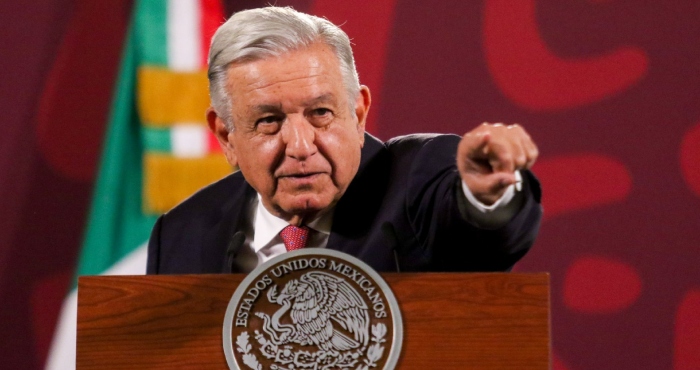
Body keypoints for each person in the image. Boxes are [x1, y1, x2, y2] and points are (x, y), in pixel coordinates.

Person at [146, 6, 542, 274]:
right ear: (226, 136)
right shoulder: (183, 234)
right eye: (269, 121)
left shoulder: (417, 182)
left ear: (357, 113)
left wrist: (488, 194)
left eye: (320, 114)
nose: (300, 146)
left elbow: (482, 231)